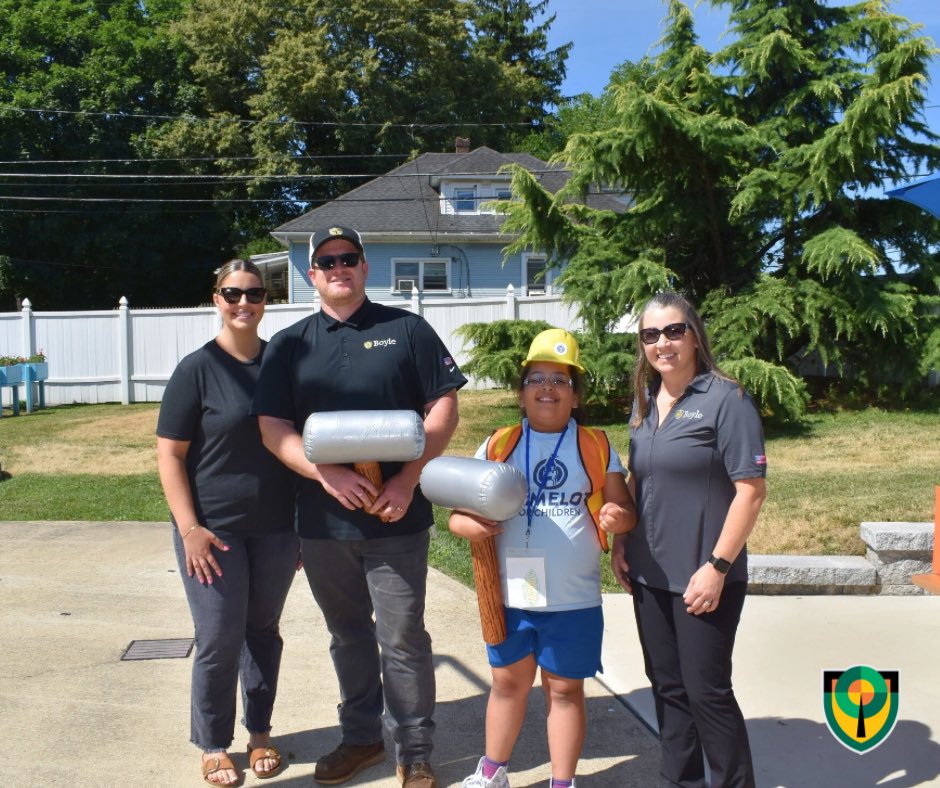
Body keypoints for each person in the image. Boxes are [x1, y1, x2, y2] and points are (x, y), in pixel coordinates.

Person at [251, 225, 467, 788]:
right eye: (327, 261)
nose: (338, 267)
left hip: (398, 519)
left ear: (365, 268)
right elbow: (273, 428)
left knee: (402, 637)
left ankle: (414, 751)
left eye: (349, 258)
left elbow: (442, 409)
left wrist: (408, 479)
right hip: (324, 524)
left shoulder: (408, 330)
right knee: (347, 634)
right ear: (311, 274)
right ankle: (361, 738)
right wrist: (325, 472)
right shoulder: (290, 344)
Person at [449, 328, 637, 788]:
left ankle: (562, 781)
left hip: (573, 599)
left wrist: (619, 518)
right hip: (510, 596)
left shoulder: (595, 445)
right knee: (507, 685)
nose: (548, 388)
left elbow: (625, 511)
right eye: (536, 379)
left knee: (566, 690)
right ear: (521, 392)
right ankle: (492, 771)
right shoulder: (498, 444)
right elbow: (459, 515)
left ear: (575, 396)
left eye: (561, 380)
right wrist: (468, 526)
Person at [611, 292, 768, 788]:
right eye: (651, 335)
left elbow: (752, 491)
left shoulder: (727, 399)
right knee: (668, 689)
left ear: (695, 335)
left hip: (704, 575)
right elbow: (638, 479)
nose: (663, 343)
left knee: (706, 692)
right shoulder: (645, 403)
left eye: (674, 330)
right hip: (649, 572)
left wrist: (718, 566)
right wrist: (620, 544)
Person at [156, 259, 300, 785]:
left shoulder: (282, 367)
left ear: (266, 301)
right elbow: (170, 456)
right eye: (233, 293)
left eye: (255, 294)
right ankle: (214, 742)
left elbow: (297, 449)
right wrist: (190, 528)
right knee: (218, 636)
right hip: (212, 530)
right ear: (216, 298)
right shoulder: (196, 369)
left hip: (277, 527)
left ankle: (260, 732)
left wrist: (303, 526)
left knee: (262, 631)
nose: (245, 303)